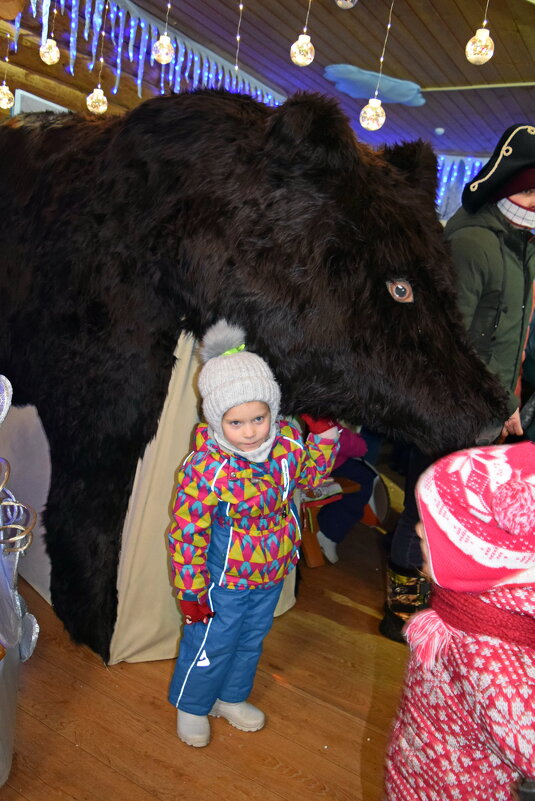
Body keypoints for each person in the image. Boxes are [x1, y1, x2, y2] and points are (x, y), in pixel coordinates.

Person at [380, 124, 535, 643]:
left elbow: (509, 338)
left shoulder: (522, 243)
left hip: (487, 408)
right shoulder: (473, 241)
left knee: (461, 512)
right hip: (451, 407)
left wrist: (508, 402)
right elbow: (448, 338)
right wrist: (476, 404)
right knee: (425, 507)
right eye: (532, 190)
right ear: (507, 184)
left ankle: (440, 605)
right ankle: (401, 612)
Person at [167, 319, 339, 748]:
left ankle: (231, 697)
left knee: (250, 640)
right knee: (213, 641)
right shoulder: (207, 467)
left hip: (271, 570)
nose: (249, 433)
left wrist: (323, 435)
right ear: (215, 419)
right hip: (222, 580)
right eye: (236, 423)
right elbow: (186, 531)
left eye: (258, 418)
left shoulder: (286, 446)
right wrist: (191, 589)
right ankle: (192, 704)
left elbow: (312, 474)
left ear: (273, 411)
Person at [385, 441, 535, 801]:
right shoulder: (474, 611)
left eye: (433, 528)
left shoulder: (488, 653)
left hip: (455, 786)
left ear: (475, 560)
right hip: (430, 765)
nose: (419, 531)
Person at [311, 425, 375, 564]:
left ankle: (326, 523)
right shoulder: (320, 418)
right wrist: (360, 441)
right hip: (320, 467)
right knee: (364, 480)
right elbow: (355, 446)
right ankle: (329, 532)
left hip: (297, 464)